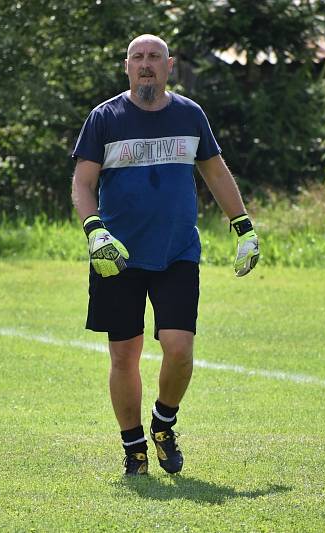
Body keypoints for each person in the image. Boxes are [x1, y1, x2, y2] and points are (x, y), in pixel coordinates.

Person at [70, 34, 259, 476]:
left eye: (154, 57)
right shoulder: (104, 118)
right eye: (138, 57)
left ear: (169, 65)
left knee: (179, 350)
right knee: (124, 355)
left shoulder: (190, 115)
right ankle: (133, 446)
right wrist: (94, 230)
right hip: (116, 257)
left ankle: (163, 423)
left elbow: (214, 170)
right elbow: (82, 183)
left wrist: (243, 225)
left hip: (177, 252)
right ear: (126, 67)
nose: (146, 64)